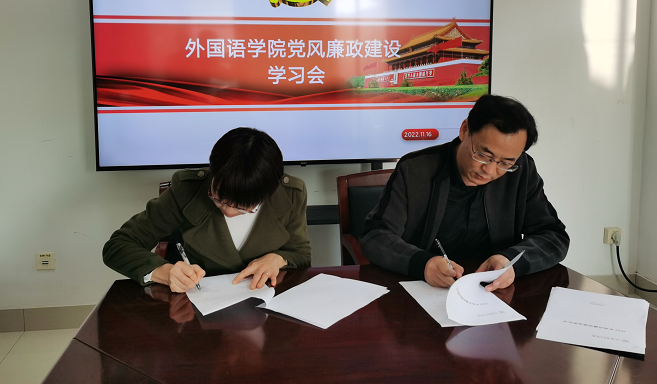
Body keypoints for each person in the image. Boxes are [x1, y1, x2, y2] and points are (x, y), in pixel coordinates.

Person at [360, 94, 569, 292]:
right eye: (483, 155)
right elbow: (375, 236)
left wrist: (511, 261)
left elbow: (554, 236)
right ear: (465, 130)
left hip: (491, 294)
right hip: (423, 291)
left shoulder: (522, 171)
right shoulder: (415, 169)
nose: (490, 170)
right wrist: (422, 264)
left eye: (505, 163)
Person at [103, 127, 311, 292]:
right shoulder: (187, 191)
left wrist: (278, 258)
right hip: (198, 306)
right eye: (218, 199)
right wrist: (163, 271)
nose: (229, 212)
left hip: (265, 303)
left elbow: (301, 254)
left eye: (243, 208)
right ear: (212, 173)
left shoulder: (291, 194)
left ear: (269, 192)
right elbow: (118, 246)